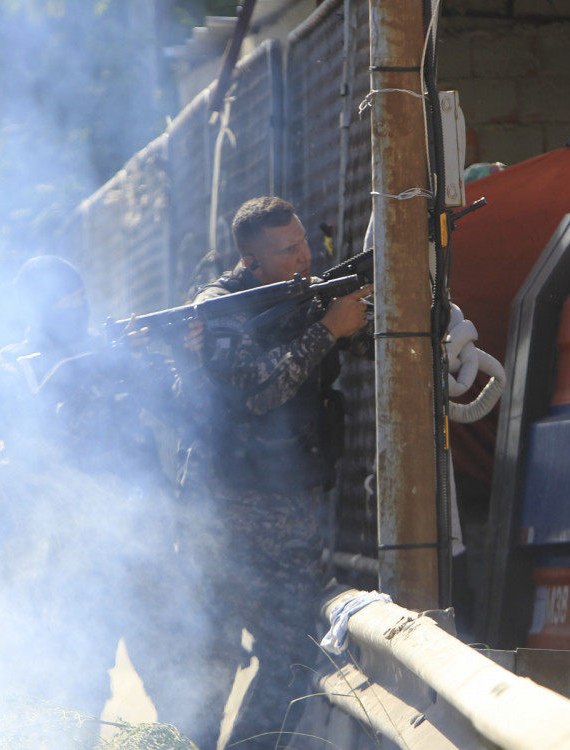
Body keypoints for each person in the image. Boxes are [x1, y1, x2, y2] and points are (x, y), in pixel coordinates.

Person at [0, 254, 203, 726]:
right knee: (77, 686)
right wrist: (93, 368)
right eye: (63, 302)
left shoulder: (112, 349)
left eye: (80, 298)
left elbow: (184, 408)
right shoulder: (10, 370)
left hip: (142, 536)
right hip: (70, 549)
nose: (76, 309)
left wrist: (166, 356)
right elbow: (31, 441)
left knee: (177, 674)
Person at [182, 196, 373, 746]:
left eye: (303, 241)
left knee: (292, 655)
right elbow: (257, 391)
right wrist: (326, 330)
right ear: (251, 260)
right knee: (213, 662)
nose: (303, 256)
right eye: (287, 250)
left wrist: (362, 309)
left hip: (290, 506)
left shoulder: (307, 292)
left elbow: (372, 338)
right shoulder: (219, 306)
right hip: (227, 510)